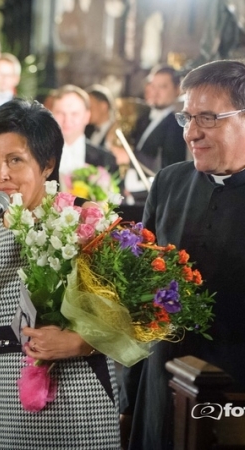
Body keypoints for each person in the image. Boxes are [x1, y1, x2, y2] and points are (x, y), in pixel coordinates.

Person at [0, 98, 121, 449]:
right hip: (10, 404)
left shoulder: (84, 220)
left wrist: (80, 342)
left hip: (80, 401)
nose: (1, 174)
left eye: (15, 160)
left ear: (47, 164)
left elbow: (133, 317)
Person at [120, 59, 245, 450]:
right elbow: (140, 300)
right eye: (187, 118)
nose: (191, 133)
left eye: (207, 118)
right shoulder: (169, 182)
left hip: (232, 395)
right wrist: (131, 393)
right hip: (160, 384)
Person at [50, 84, 118, 176]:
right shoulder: (37, 155)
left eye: (74, 114)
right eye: (60, 113)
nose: (67, 120)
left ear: (87, 116)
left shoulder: (106, 160)